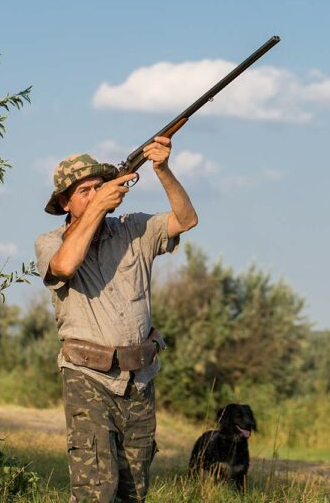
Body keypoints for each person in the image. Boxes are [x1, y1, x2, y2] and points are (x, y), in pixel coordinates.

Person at [34, 137, 197, 503]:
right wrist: (97, 207)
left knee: (133, 493)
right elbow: (64, 266)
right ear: (65, 202)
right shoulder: (51, 241)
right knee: (96, 491)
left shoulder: (133, 229)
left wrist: (162, 170)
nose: (94, 195)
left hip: (139, 380)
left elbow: (187, 219)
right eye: (85, 191)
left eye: (99, 188)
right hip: (87, 378)